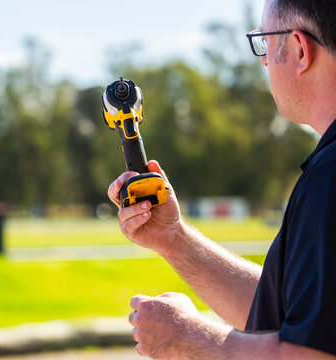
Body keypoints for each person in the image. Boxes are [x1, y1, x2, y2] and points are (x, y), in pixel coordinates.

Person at [108, 0, 336, 358]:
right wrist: (174, 239)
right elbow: (288, 314)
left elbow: (310, 354)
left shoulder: (330, 176)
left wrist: (185, 335)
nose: (262, 59)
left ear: (299, 49)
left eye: (265, 42)